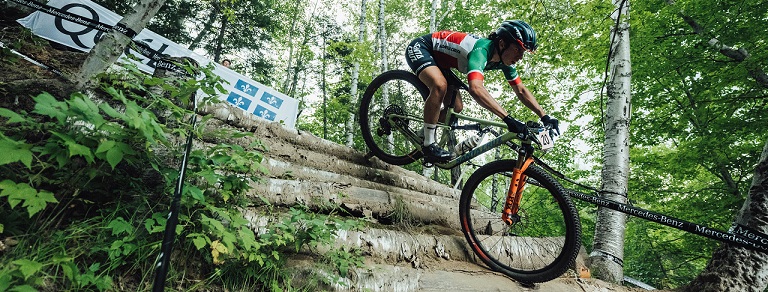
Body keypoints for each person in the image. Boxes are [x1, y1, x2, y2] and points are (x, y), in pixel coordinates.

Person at [405, 20, 560, 163]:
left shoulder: (505, 61)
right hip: (422, 47)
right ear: (502, 43)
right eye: (517, 50)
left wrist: (544, 116)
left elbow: (521, 90)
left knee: (456, 107)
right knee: (440, 86)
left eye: (523, 52)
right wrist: (508, 119)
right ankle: (429, 144)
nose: (520, 57)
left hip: (442, 63)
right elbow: (476, 88)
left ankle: (422, 133)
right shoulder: (481, 50)